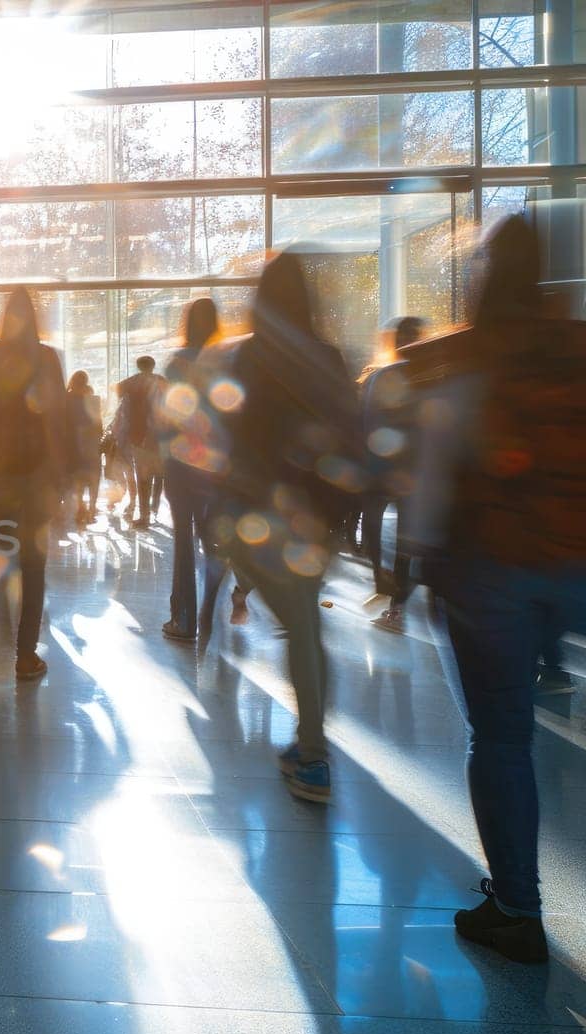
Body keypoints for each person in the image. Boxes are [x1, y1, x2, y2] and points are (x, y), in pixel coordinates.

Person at [413, 216, 586, 964]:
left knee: (502, 737)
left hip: (487, 567)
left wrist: (415, 558)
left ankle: (517, 907)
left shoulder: (465, 355)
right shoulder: (576, 344)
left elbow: (434, 464)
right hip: (573, 555)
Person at [216, 252, 361, 804]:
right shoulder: (329, 358)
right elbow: (351, 436)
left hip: (258, 517)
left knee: (299, 625)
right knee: (305, 629)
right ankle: (311, 747)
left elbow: (224, 440)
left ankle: (314, 751)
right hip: (313, 519)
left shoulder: (246, 359)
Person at [0, 287, 70, 680]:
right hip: (35, 477)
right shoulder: (46, 358)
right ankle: (25, 654)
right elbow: (58, 419)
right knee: (33, 566)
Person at [159, 298, 222, 642]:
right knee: (214, 540)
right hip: (216, 465)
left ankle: (183, 618)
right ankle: (209, 611)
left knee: (184, 539)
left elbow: (169, 417)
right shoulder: (225, 361)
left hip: (183, 463)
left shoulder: (178, 364)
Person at [360, 316, 426, 632]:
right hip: (408, 473)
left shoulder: (381, 377)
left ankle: (387, 589)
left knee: (376, 529)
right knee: (403, 542)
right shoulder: (428, 380)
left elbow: (367, 424)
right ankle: (395, 603)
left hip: (383, 471)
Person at [115, 354, 165, 526]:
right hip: (160, 436)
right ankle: (155, 505)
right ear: (153, 365)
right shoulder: (162, 381)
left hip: (139, 435)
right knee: (159, 473)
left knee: (143, 476)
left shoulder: (132, 382)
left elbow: (118, 392)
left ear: (138, 366)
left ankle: (144, 516)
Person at [67, 371, 102, 526]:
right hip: (91, 443)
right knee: (94, 476)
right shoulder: (93, 400)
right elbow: (99, 425)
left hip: (73, 444)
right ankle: (92, 508)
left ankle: (81, 506)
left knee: (78, 476)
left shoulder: (66, 400)